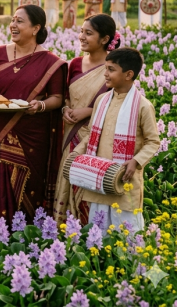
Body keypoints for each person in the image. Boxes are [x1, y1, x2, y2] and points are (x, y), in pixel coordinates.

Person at [0, 5, 67, 223]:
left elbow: (57, 97)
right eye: (12, 20)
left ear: (36, 28)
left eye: (19, 21)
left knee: (31, 182)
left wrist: (40, 106)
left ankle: (28, 229)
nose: (13, 25)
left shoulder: (51, 63)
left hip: (32, 132)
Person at [67, 48, 159, 233]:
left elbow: (153, 142)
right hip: (98, 179)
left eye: (111, 69)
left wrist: (136, 161)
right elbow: (91, 134)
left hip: (125, 179)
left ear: (128, 74)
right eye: (106, 68)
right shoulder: (102, 100)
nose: (105, 74)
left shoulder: (142, 105)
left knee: (127, 236)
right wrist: (77, 153)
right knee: (99, 232)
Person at [53, 14, 118, 225]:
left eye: (88, 33)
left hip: (95, 138)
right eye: (81, 31)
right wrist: (65, 109)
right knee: (68, 176)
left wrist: (89, 111)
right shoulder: (74, 64)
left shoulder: (114, 67)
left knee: (88, 181)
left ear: (104, 39)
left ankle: (91, 229)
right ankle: (66, 227)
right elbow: (65, 97)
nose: (81, 36)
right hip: (70, 132)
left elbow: (120, 103)